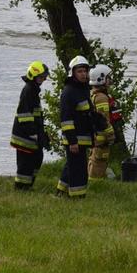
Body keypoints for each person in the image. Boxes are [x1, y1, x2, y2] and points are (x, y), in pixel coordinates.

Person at [56, 55, 96, 198]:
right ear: (72, 73)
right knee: (78, 169)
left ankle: (61, 191)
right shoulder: (69, 92)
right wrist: (72, 141)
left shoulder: (84, 89)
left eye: (85, 71)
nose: (83, 74)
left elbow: (88, 114)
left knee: (71, 165)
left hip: (83, 137)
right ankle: (77, 196)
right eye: (80, 71)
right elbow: (66, 119)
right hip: (75, 139)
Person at [11, 61, 50, 190]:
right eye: (41, 77)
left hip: (31, 134)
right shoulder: (28, 90)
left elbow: (35, 115)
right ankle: (21, 187)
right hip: (25, 136)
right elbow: (24, 114)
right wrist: (33, 133)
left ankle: (27, 186)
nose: (43, 79)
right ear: (33, 75)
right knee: (26, 163)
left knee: (37, 159)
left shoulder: (33, 89)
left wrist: (41, 134)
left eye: (44, 77)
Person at [88, 64, 116, 180]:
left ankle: (91, 178)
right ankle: (95, 182)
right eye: (108, 78)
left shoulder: (93, 93)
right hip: (101, 136)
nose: (110, 80)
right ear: (101, 79)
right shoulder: (101, 98)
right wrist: (110, 134)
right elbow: (104, 119)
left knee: (94, 157)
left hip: (95, 135)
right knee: (100, 158)